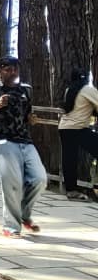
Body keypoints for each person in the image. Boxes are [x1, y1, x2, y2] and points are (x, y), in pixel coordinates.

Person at [0, 55, 47, 238]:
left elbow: (27, 113)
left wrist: (31, 119)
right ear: (0, 71)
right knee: (12, 183)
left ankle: (24, 214)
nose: (12, 72)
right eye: (8, 69)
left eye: (15, 69)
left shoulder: (25, 90)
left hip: (25, 140)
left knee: (39, 179)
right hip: (3, 141)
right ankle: (11, 226)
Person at [58, 67, 98, 200]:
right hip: (78, 128)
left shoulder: (69, 89)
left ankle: (71, 190)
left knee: (69, 159)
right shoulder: (87, 90)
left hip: (65, 127)